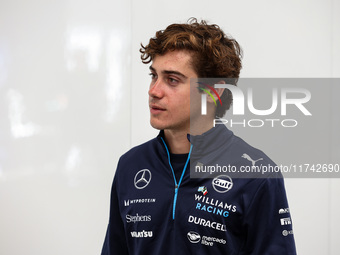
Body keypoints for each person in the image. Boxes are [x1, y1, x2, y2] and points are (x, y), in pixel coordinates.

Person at [101, 18, 296, 255]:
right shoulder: (130, 165)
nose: (154, 91)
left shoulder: (257, 174)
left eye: (172, 80)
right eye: (154, 76)